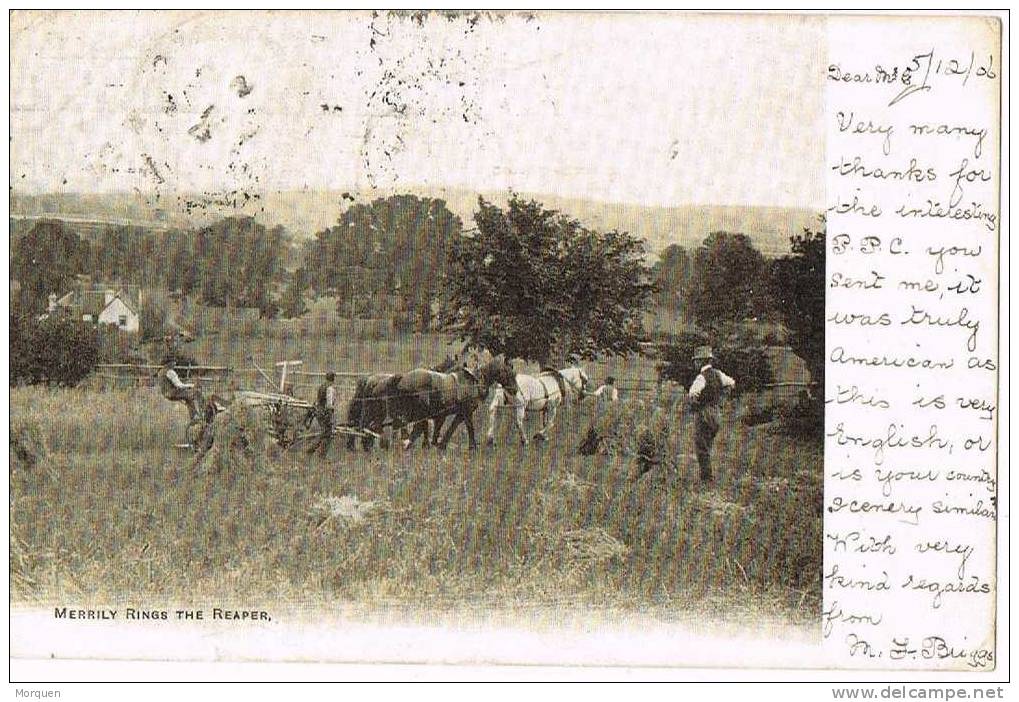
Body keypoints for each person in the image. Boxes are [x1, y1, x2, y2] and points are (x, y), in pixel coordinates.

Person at [686, 346, 735, 483]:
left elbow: (692, 394)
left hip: (704, 414)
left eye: (696, 361)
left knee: (701, 447)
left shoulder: (701, 377)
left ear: (701, 362)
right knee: (707, 445)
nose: (695, 363)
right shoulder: (719, 374)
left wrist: (696, 406)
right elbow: (731, 383)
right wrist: (721, 399)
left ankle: (706, 479)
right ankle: (707, 476)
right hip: (716, 414)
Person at [158, 358, 202, 423]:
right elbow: (179, 385)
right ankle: (200, 413)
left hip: (165, 394)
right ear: (169, 363)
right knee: (195, 393)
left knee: (188, 397)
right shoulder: (170, 372)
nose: (175, 364)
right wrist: (191, 385)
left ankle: (194, 416)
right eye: (174, 362)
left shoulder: (160, 372)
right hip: (173, 393)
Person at [307, 372, 337, 457]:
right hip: (325, 413)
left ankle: (312, 450)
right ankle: (320, 454)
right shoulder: (330, 389)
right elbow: (329, 405)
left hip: (319, 412)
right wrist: (330, 417)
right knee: (328, 434)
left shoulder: (322, 386)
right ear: (333, 379)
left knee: (325, 433)